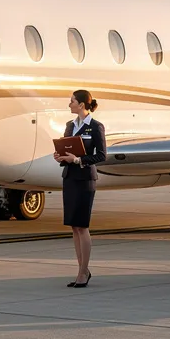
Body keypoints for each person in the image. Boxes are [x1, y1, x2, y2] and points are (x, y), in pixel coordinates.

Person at [53, 89, 106, 288]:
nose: (70, 104)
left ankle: (84, 271)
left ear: (82, 104)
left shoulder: (95, 127)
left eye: (72, 101)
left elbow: (101, 155)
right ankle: (81, 270)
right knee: (74, 226)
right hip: (70, 178)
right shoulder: (70, 125)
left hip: (84, 179)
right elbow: (66, 148)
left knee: (82, 226)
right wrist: (60, 156)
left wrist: (77, 160)